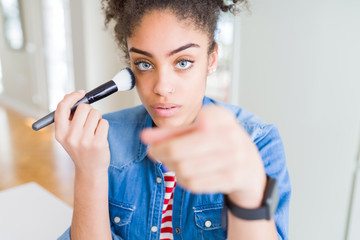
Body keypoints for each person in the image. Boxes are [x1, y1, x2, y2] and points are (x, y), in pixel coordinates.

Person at [57, 0, 291, 239]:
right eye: (144, 64)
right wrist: (89, 172)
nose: (162, 87)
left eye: (183, 62)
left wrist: (248, 192)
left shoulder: (259, 141)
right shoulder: (105, 138)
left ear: (211, 60)